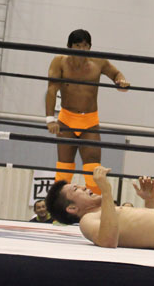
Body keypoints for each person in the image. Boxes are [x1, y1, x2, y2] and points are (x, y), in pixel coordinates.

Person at [46, 29, 130, 195]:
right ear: (69, 46)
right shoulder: (59, 62)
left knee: (93, 167)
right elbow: (51, 89)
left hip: (89, 121)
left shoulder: (98, 61)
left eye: (85, 46)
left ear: (90, 47)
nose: (82, 49)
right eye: (78, 45)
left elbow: (116, 74)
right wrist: (50, 119)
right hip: (66, 119)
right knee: (64, 168)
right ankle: (59, 207)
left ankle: (96, 206)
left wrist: (121, 82)